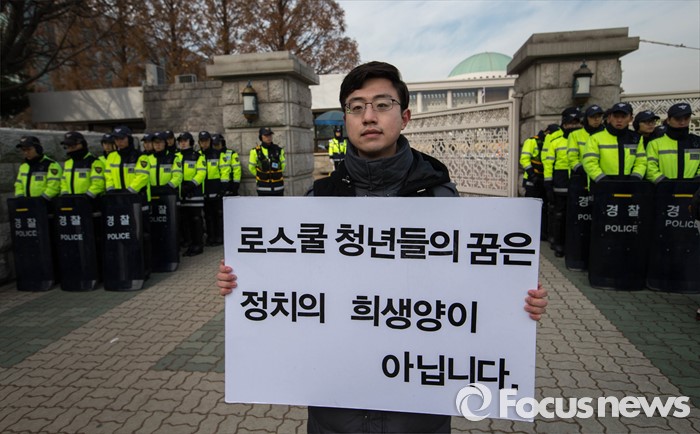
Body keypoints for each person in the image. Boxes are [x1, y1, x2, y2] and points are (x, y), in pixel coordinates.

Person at [217, 61, 548, 434]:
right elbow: (291, 288)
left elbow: (470, 290)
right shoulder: (318, 199)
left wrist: (516, 303)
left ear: (404, 117)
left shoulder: (440, 197)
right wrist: (243, 281)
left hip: (417, 409)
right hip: (336, 405)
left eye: (382, 104)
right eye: (356, 107)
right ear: (346, 120)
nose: (369, 116)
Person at [543, 107, 582, 257]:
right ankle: (558, 243)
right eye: (570, 123)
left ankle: (574, 245)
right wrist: (548, 183)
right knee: (560, 214)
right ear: (564, 124)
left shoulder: (585, 140)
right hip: (561, 182)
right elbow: (548, 163)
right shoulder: (555, 142)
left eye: (576, 123)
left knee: (577, 215)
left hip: (579, 181)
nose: (573, 126)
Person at [582, 102, 646, 184]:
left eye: (623, 117)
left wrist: (635, 178)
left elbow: (641, 162)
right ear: (609, 118)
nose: (619, 120)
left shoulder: (636, 138)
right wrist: (603, 180)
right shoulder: (595, 138)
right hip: (602, 186)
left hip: (629, 186)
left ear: (631, 119)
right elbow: (589, 162)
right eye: (616, 116)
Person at [645, 103, 700, 183]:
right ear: (668, 120)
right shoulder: (655, 144)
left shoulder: (697, 142)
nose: (682, 122)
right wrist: (665, 183)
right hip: (664, 189)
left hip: (693, 189)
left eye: (686, 118)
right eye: (678, 118)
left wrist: (696, 182)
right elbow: (650, 169)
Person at [519, 127, 552, 240]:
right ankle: (528, 231)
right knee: (531, 208)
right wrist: (532, 175)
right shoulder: (532, 141)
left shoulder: (550, 142)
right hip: (532, 181)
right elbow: (524, 159)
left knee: (544, 208)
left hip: (544, 179)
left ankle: (542, 233)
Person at [177, 132, 206, 256]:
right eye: (181, 141)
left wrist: (191, 185)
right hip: (180, 193)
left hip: (194, 192)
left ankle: (198, 245)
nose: (183, 143)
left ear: (191, 142)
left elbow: (201, 173)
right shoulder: (175, 156)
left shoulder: (197, 156)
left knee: (196, 220)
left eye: (185, 141)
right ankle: (189, 244)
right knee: (184, 221)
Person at [59, 131, 105, 198]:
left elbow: (98, 184)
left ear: (82, 144)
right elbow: (63, 182)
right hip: (71, 201)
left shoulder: (94, 162)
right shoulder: (68, 163)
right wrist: (65, 195)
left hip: (89, 201)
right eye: (67, 146)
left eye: (72, 145)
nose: (69, 148)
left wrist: (86, 197)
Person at [248, 127, 286, 196]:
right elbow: (251, 167)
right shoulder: (255, 151)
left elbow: (283, 166)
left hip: (278, 187)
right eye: (266, 135)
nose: (268, 137)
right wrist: (261, 175)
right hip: (263, 188)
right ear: (261, 137)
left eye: (270, 135)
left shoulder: (279, 150)